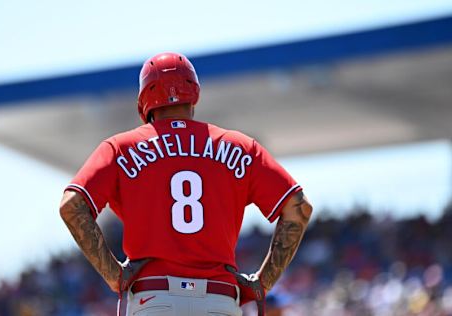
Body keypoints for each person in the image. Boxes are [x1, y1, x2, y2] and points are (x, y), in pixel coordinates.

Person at [59, 52, 313, 316]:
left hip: (154, 299)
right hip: (219, 301)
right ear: (194, 94)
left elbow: (72, 205)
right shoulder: (241, 146)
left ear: (144, 100)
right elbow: (298, 208)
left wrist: (113, 275)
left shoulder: (120, 147)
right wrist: (263, 281)